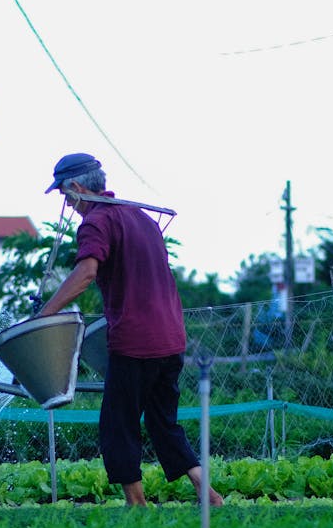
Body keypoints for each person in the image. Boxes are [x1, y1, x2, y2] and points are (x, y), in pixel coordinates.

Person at [37, 152, 224, 507]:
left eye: (64, 194)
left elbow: (86, 273)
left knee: (117, 425)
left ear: (76, 188)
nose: (66, 203)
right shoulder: (141, 218)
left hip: (135, 342)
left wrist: (45, 314)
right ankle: (207, 492)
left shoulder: (97, 222)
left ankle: (136, 505)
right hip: (171, 337)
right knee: (163, 422)